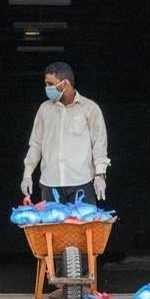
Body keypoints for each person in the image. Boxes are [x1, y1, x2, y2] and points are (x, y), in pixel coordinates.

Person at [22, 62, 111, 205]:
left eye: (50, 84)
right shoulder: (44, 109)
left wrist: (100, 175)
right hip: (50, 184)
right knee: (52, 228)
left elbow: (99, 143)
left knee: (83, 228)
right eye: (46, 84)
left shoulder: (90, 109)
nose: (47, 88)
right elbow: (36, 144)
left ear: (66, 84)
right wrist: (27, 175)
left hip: (81, 183)